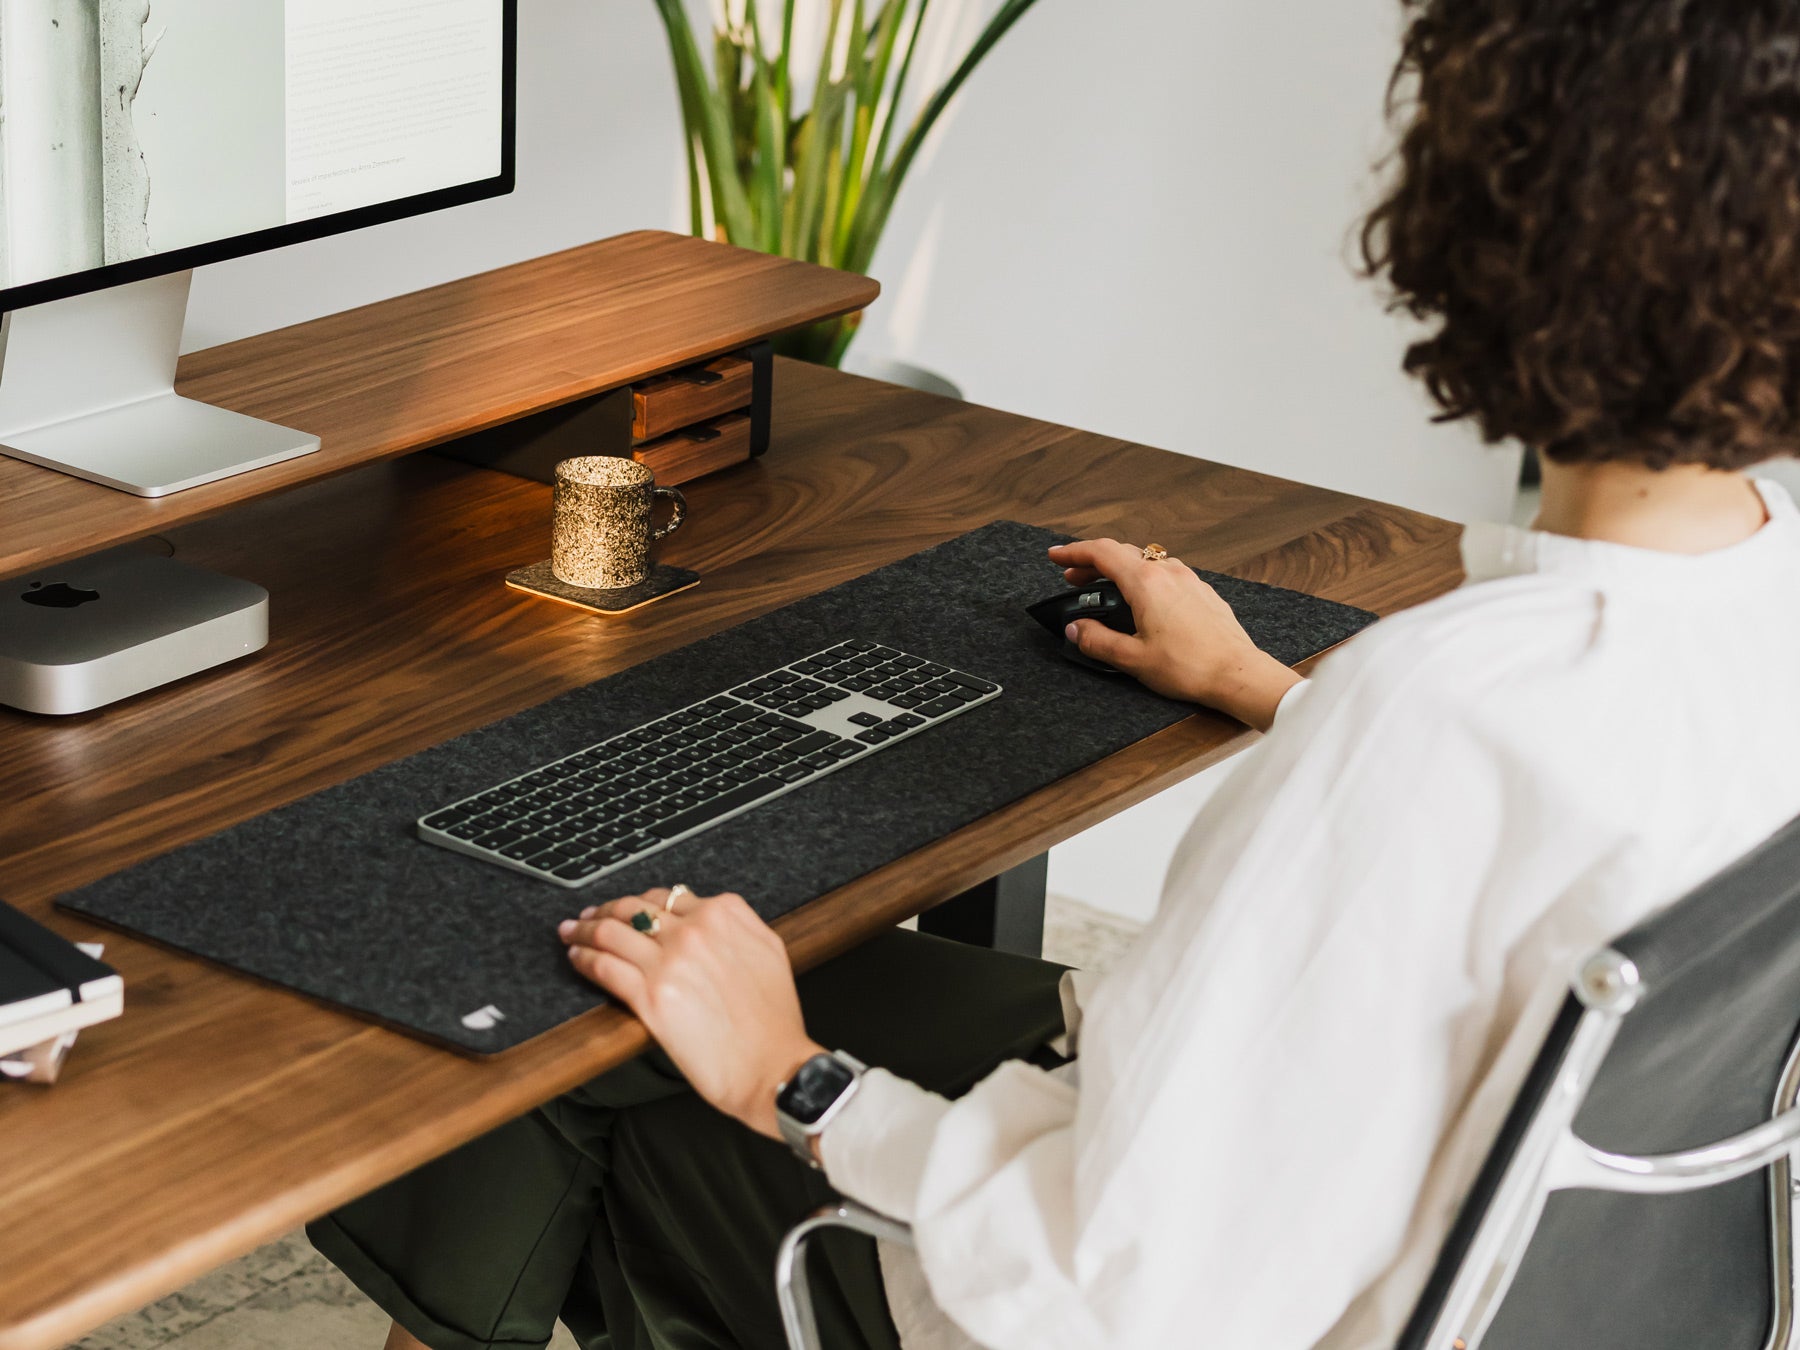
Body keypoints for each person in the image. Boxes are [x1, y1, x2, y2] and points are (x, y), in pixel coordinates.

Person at [311, 1, 1800, 1346]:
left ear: (1495, 234)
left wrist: (792, 1073)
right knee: (741, 955)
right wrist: (1276, 689)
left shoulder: (1434, 715)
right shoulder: (1740, 615)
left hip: (1047, 1291)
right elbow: (1541, 839)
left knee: (572, 999)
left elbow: (1115, 1291)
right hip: (1425, 1250)